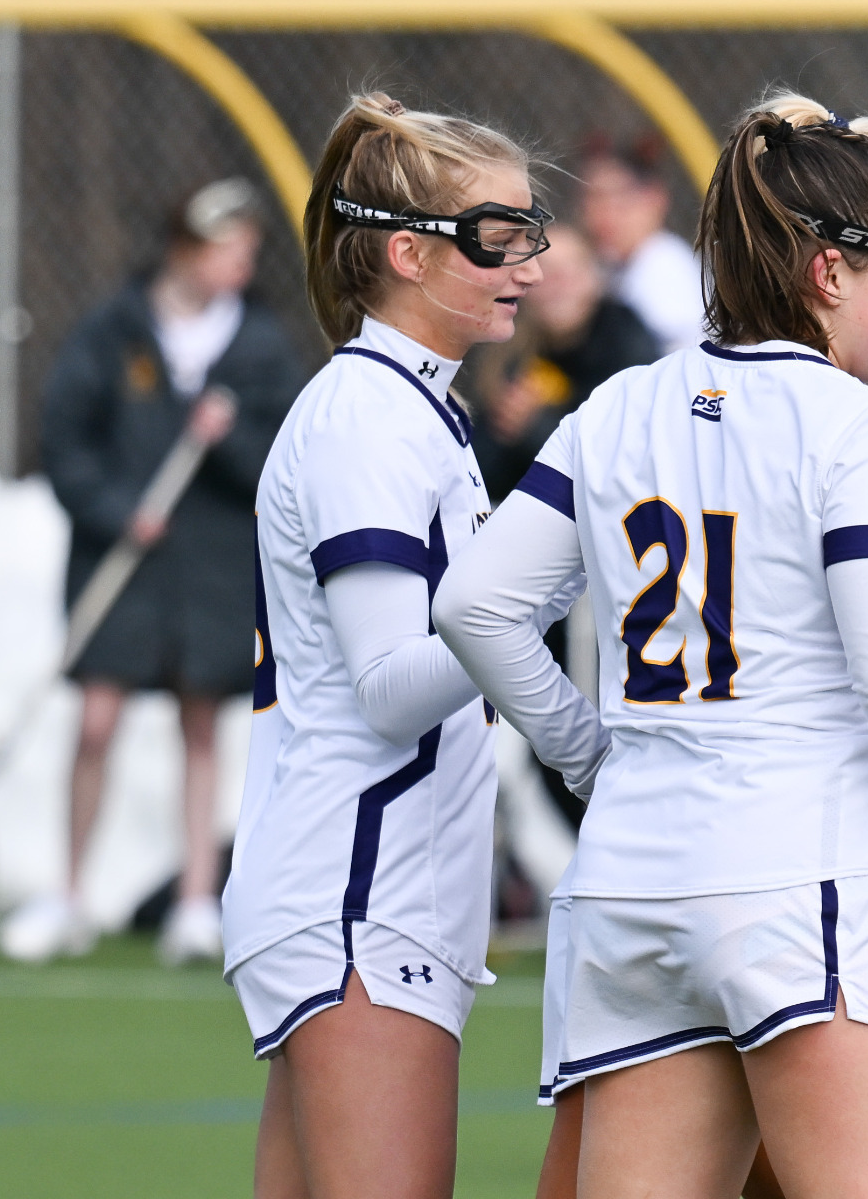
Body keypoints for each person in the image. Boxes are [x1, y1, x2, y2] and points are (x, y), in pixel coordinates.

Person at [434, 101, 868, 1199]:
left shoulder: (619, 403)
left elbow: (475, 606)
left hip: (632, 902)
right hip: (806, 892)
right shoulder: (858, 421)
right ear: (827, 272)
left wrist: (593, 756)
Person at [220, 92, 575, 1199]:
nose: (523, 261)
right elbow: (387, 687)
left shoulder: (419, 409)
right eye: (493, 236)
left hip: (372, 891)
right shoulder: (367, 416)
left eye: (530, 231)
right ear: (408, 254)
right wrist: (556, 564)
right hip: (357, 891)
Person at [13, 177, 300, 966]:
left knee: (201, 723)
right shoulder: (115, 330)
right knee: (97, 719)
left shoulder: (260, 344)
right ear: (186, 248)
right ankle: (69, 893)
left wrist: (228, 433)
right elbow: (65, 434)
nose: (239, 262)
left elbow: (283, 462)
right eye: (224, 248)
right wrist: (115, 509)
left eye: (248, 249)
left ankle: (195, 900)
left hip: (209, 568)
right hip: (126, 561)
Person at [467, 223, 661, 502]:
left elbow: (619, 463)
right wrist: (508, 426)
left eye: (570, 271)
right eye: (547, 271)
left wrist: (535, 427)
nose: (558, 284)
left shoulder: (628, 346)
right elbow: (485, 473)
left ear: (596, 278)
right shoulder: (509, 348)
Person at [581, 131, 705, 354]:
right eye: (593, 198)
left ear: (655, 199)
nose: (604, 213)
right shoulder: (610, 265)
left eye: (619, 200)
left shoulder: (664, 264)